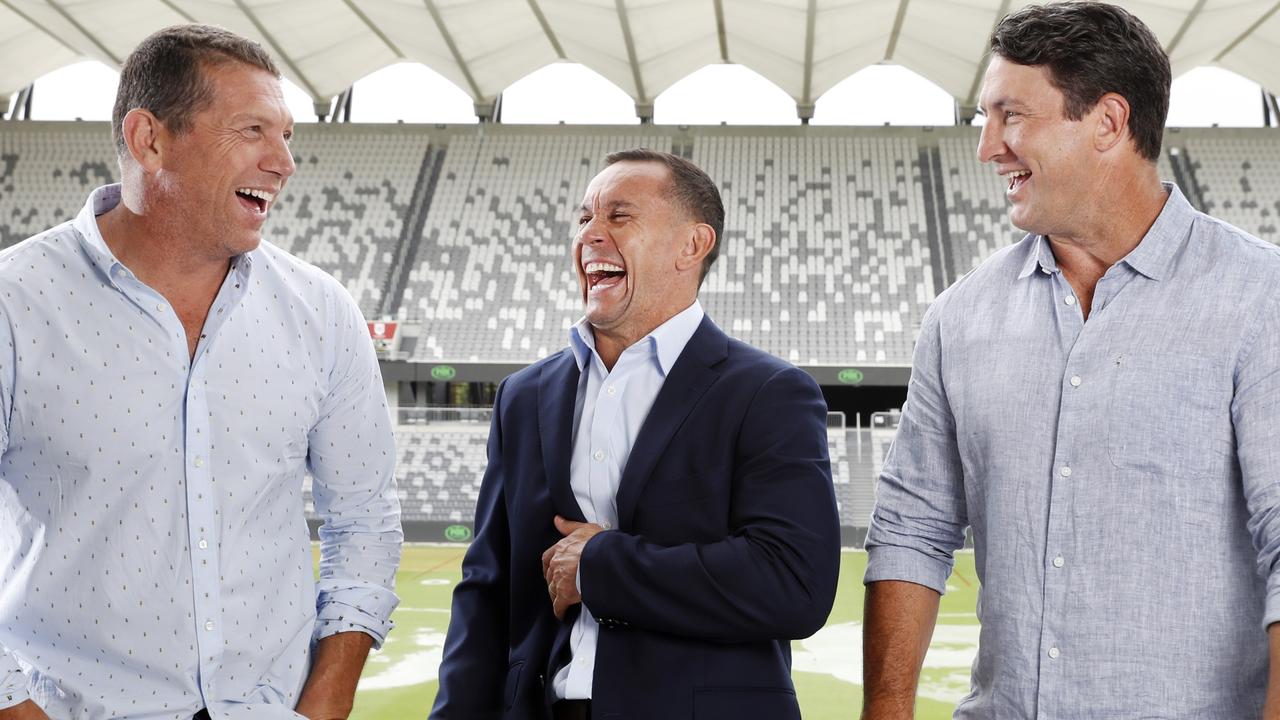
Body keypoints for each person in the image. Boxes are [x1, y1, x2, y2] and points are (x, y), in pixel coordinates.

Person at [861, 2, 1280, 717]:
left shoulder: (1259, 297)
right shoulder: (959, 317)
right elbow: (911, 528)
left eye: (1011, 116)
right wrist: (888, 707)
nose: (988, 147)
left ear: (1109, 122)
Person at [0, 25, 401, 720]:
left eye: (288, 136)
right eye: (253, 131)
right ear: (148, 139)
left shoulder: (322, 311)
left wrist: (325, 706)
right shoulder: (15, 303)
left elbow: (363, 523)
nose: (283, 163)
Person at [430, 148, 840, 720]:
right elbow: (486, 589)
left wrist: (601, 567)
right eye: (584, 219)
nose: (591, 235)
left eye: (619, 217)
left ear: (692, 245)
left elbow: (793, 584)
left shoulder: (768, 392)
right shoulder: (524, 395)